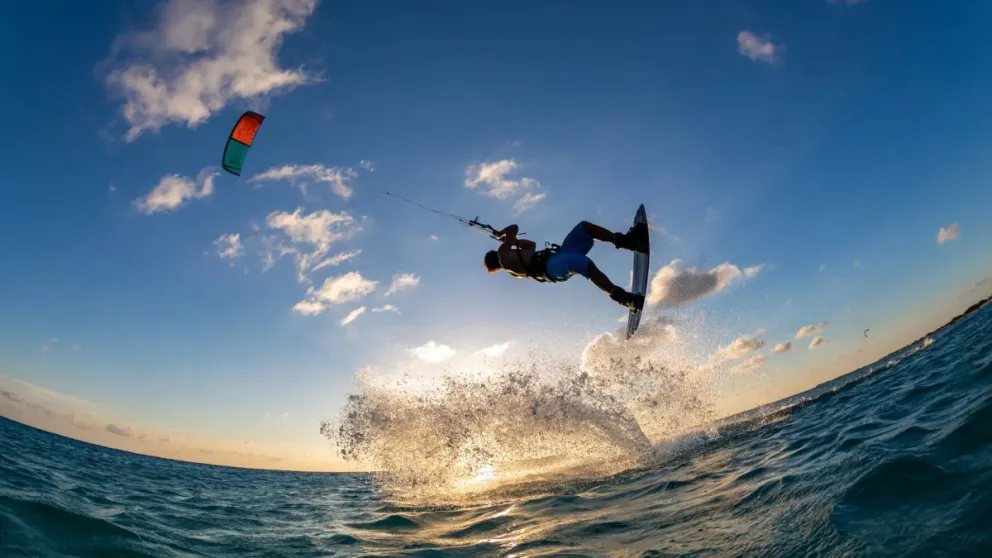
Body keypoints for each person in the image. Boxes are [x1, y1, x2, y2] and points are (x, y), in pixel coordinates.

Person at [483, 219, 648, 309]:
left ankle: (630, 242)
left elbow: (530, 245)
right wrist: (500, 234)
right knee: (585, 265)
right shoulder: (503, 254)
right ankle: (626, 299)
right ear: (495, 254)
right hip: (553, 267)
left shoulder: (510, 264)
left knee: (584, 228)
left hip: (558, 257)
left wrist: (511, 240)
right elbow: (514, 227)